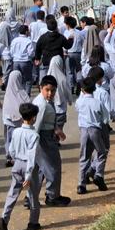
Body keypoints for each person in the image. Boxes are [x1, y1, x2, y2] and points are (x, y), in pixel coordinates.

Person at [0, 102, 42, 230]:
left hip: (17, 164)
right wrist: (28, 175)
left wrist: (16, 160)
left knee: (12, 193)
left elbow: (11, 150)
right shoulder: (34, 135)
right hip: (28, 166)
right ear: (34, 118)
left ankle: (4, 218)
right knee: (33, 195)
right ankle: (33, 222)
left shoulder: (16, 132)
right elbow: (32, 157)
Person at [33, 77, 70, 206]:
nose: (50, 93)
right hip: (43, 138)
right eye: (47, 90)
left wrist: (56, 129)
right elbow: (36, 126)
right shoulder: (41, 105)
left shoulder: (45, 101)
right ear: (40, 88)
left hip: (46, 135)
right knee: (53, 166)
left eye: (53, 90)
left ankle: (31, 197)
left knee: (40, 168)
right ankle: (52, 196)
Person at [75, 75, 110, 194]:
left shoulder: (79, 102)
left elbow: (77, 110)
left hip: (83, 130)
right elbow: (105, 118)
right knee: (101, 152)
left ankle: (81, 184)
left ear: (82, 89)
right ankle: (98, 174)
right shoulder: (97, 103)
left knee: (84, 156)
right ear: (94, 88)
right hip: (95, 129)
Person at [1, 70, 30, 164]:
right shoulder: (23, 93)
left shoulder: (7, 93)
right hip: (20, 123)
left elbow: (5, 110)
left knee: (9, 140)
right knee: (18, 141)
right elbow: (28, 106)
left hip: (8, 122)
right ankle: (16, 157)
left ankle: (9, 157)